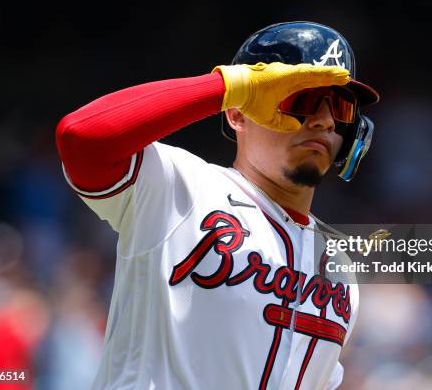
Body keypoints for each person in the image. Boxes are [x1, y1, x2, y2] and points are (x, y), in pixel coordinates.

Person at [55, 21, 379, 390]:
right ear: (238, 113)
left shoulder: (339, 267)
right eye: (300, 100)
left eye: (339, 105)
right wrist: (229, 87)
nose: (323, 120)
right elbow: (81, 138)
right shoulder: (176, 185)